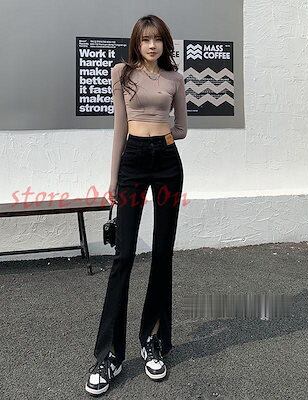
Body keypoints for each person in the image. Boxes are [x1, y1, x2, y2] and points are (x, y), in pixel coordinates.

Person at [85, 14, 187, 396]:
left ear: (165, 43)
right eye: (145, 39)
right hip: (132, 162)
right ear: (137, 43)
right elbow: (119, 128)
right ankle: (109, 355)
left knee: (162, 252)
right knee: (124, 254)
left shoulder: (175, 79)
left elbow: (182, 129)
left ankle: (153, 340)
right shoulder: (121, 73)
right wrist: (113, 178)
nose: (151, 45)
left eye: (157, 39)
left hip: (167, 164)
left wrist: (160, 136)